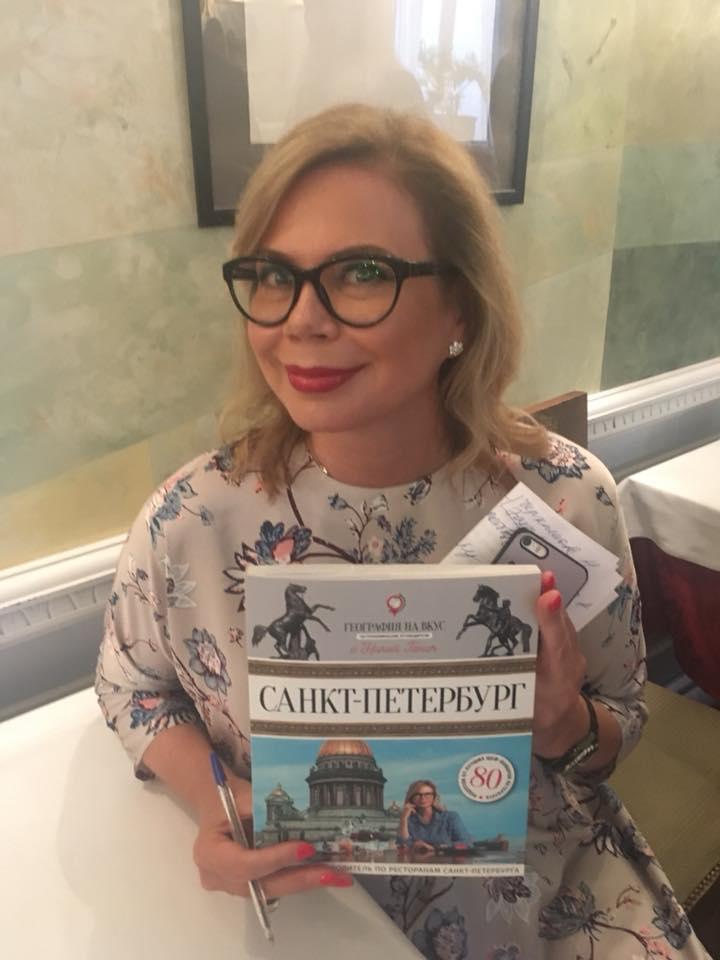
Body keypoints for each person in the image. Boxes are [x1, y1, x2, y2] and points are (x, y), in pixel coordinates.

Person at [96, 104, 709, 958]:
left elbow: (623, 719)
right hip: (312, 916)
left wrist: (564, 724)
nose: (300, 320)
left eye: (361, 272)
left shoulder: (566, 499)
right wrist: (217, 802)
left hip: (547, 899)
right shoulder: (189, 522)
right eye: (274, 274)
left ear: (461, 305)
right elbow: (131, 686)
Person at [397, 780, 472, 853]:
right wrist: (403, 819)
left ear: (434, 797)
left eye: (427, 794)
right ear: (411, 798)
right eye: (418, 794)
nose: (423, 798)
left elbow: (466, 843)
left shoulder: (450, 817)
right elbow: (403, 846)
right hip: (418, 860)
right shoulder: (408, 820)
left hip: (446, 859)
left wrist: (435, 848)